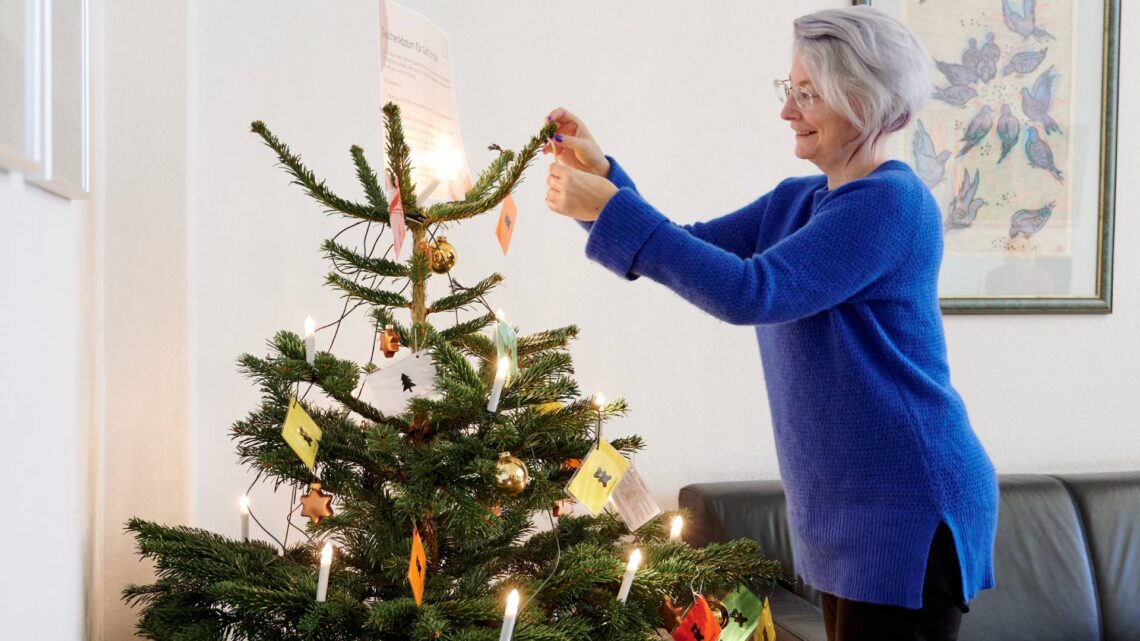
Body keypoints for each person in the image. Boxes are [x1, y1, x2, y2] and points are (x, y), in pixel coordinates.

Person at [543, 6, 998, 641]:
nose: (787, 110)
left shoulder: (892, 205)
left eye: (806, 94)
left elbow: (750, 292)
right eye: (790, 90)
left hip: (907, 511)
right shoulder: (798, 201)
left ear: (862, 102)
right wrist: (605, 182)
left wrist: (613, 209)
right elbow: (687, 247)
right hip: (849, 513)